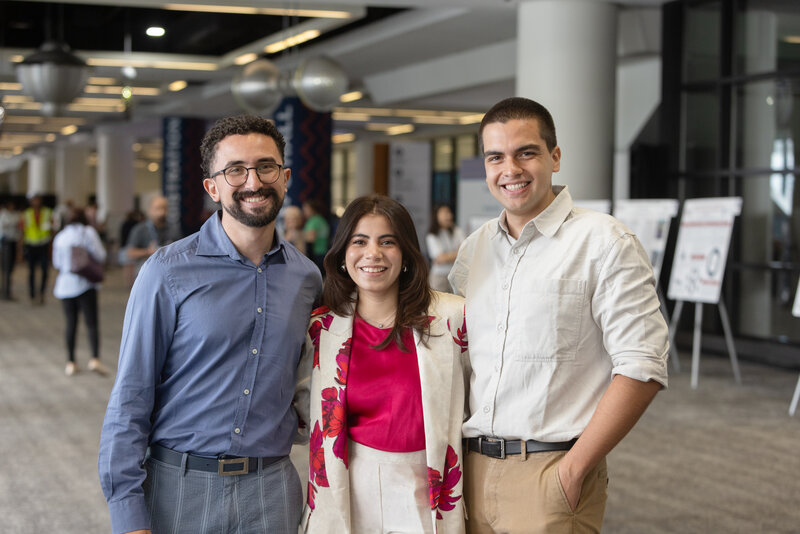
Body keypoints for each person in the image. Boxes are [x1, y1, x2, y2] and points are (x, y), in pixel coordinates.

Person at [448, 97, 669, 534]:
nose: (510, 169)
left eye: (525, 152)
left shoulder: (604, 241)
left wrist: (572, 472)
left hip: (551, 472)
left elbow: (643, 366)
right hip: (470, 473)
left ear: (555, 156)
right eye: (496, 157)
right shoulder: (475, 249)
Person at [98, 115, 322, 534]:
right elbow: (131, 395)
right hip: (180, 488)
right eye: (235, 169)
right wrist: (127, 514)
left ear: (285, 177)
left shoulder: (307, 278)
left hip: (271, 490)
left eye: (266, 166)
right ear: (213, 187)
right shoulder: (167, 272)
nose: (253, 181)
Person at [296, 194, 469, 533]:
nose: (372, 254)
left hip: (429, 486)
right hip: (349, 488)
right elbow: (302, 407)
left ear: (405, 254)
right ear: (343, 255)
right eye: (359, 242)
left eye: (387, 242)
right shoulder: (321, 329)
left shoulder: (452, 318)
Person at [51, 206, 107, 376]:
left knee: (71, 323)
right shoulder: (88, 232)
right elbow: (101, 255)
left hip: (65, 285)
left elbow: (57, 263)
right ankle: (95, 359)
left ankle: (71, 362)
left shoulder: (60, 236)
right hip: (85, 284)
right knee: (91, 323)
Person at [124, 195, 172, 279]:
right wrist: (148, 252)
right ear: (150, 210)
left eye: (165, 208)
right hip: (147, 275)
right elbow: (130, 253)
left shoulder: (172, 229)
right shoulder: (140, 229)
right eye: (158, 208)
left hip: (168, 274)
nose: (162, 212)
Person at [425, 204, 465, 293]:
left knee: (457, 303)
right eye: (444, 213)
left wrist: (446, 257)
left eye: (449, 213)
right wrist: (457, 253)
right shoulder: (432, 235)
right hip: (439, 276)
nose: (449, 216)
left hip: (456, 275)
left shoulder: (457, 231)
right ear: (436, 216)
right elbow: (440, 258)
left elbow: (465, 252)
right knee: (437, 303)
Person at [22, 194, 53, 305]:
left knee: (45, 270)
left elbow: (52, 228)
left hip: (43, 244)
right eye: (34, 200)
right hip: (31, 244)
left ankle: (42, 293)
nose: (36, 202)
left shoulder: (47, 212)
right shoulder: (27, 213)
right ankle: (32, 295)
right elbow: (23, 230)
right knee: (31, 272)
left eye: (38, 200)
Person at [0, 200, 22, 300]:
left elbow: (18, 227)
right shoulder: (4, 215)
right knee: (5, 268)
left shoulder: (14, 215)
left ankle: (7, 291)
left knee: (9, 269)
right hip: (5, 243)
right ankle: (5, 291)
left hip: (12, 242)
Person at [303, 198, 330, 273]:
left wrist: (308, 258)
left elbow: (310, 240)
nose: (304, 212)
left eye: (306, 209)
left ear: (312, 209)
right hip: (324, 253)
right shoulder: (322, 220)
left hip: (315, 255)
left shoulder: (312, 221)